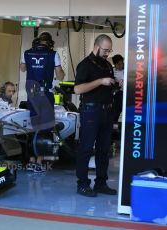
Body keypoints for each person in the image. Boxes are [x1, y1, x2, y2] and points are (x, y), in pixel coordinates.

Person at [74, 34, 117, 197]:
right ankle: (83, 184)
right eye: (105, 50)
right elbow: (77, 89)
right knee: (86, 148)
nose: (107, 53)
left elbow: (106, 84)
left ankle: (101, 183)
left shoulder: (107, 65)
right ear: (97, 47)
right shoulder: (85, 65)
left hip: (107, 110)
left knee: (103, 149)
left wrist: (113, 83)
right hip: (91, 111)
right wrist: (100, 81)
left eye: (109, 50)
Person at [20, 32, 65, 172]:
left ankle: (31, 160)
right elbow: (60, 76)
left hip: (31, 94)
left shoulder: (26, 53)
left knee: (33, 125)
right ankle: (39, 162)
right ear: (49, 42)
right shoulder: (53, 54)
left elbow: (22, 69)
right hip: (45, 94)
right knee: (44, 127)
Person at [112, 54, 124, 122]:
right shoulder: (112, 71)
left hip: (126, 92)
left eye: (122, 63)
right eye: (119, 64)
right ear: (115, 64)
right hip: (118, 93)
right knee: (116, 111)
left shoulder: (126, 69)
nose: (121, 65)